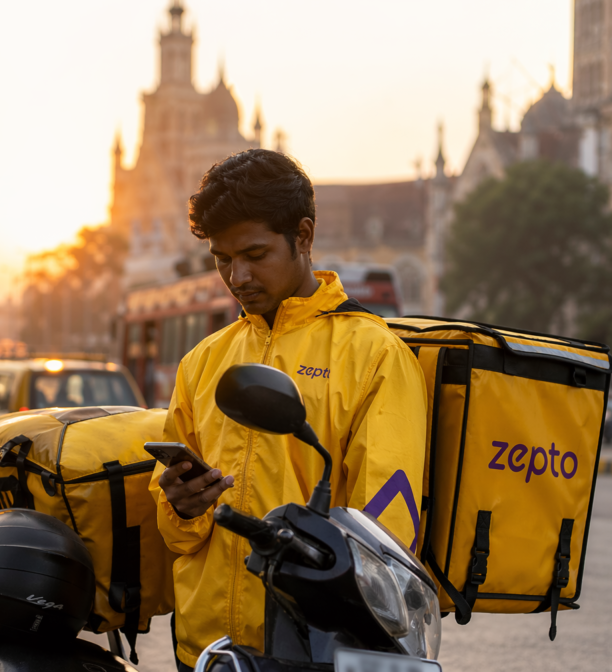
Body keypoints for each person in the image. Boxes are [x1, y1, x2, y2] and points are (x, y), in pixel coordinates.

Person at [148, 149, 427, 670]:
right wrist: (182, 505)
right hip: (205, 652)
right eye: (222, 259)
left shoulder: (374, 356)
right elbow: (176, 533)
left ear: (303, 236)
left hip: (309, 649)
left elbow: (387, 536)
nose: (238, 275)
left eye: (255, 254)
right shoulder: (202, 362)